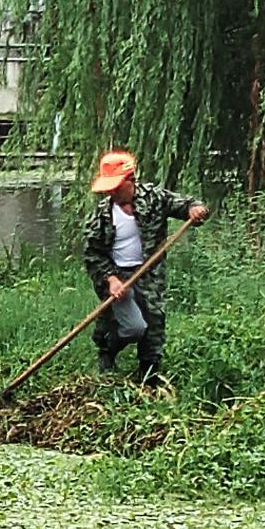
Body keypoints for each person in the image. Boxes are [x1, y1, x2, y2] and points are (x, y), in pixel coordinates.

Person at [83, 151, 209, 385]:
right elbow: (92, 253)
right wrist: (110, 279)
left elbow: (186, 204)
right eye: (109, 187)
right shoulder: (101, 215)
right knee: (133, 328)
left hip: (150, 273)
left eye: (117, 187)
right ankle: (107, 351)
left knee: (153, 322)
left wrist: (195, 209)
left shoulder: (153, 198)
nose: (112, 192)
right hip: (118, 276)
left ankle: (149, 374)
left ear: (130, 180)